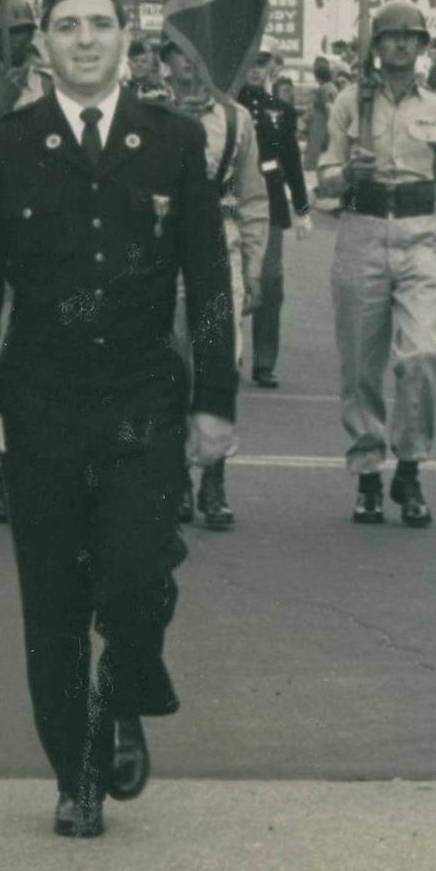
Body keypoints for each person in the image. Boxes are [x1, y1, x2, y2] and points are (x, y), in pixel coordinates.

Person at [0, 0, 236, 839]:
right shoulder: (3, 148)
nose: (84, 41)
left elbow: (209, 281)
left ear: (125, 40)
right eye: (67, 26)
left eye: (99, 25)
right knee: (56, 602)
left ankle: (124, 694)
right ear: (43, 46)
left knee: (139, 575)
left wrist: (215, 400)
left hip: (143, 397)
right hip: (40, 401)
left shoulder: (175, 142)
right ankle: (76, 776)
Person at [326, 0, 436, 529]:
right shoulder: (348, 103)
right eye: (392, 36)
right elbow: (319, 176)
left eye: (412, 36)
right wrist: (347, 172)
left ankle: (409, 467)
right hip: (362, 233)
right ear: (376, 47)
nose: (402, 45)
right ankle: (368, 474)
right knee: (361, 363)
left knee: (424, 354)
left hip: (419, 238)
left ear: (424, 46)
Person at [163, 33, 269, 533]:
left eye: (198, 53)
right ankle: (178, 475)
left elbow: (252, 199)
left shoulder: (235, 118)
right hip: (162, 251)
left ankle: (215, 476)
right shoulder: (149, 115)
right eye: (180, 53)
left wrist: (252, 266)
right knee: (170, 362)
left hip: (218, 243)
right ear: (167, 61)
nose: (190, 65)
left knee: (220, 360)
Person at [241, 51, 311, 391]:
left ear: (269, 69)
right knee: (229, 282)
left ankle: (264, 361)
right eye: (250, 64)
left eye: (261, 65)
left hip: (269, 201)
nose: (255, 72)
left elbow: (292, 161)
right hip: (231, 201)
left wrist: (302, 208)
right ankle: (227, 354)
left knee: (269, 282)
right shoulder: (227, 106)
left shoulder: (280, 112)